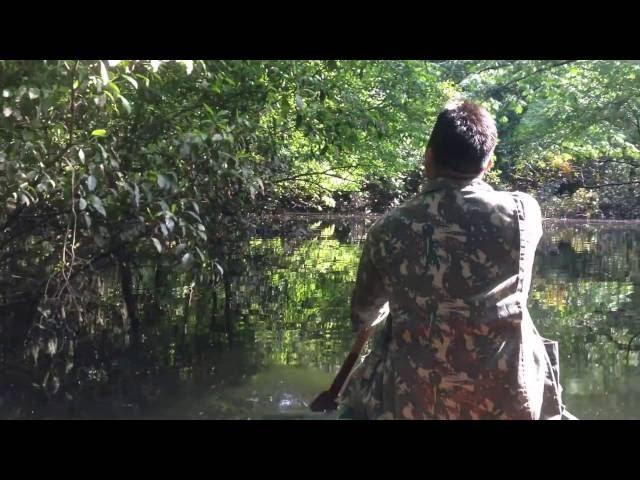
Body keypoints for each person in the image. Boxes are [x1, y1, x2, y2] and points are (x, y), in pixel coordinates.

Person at [339, 100, 569, 420]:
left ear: (428, 156)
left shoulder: (386, 229)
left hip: (411, 404)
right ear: (488, 164)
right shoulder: (523, 212)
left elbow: (363, 316)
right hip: (507, 402)